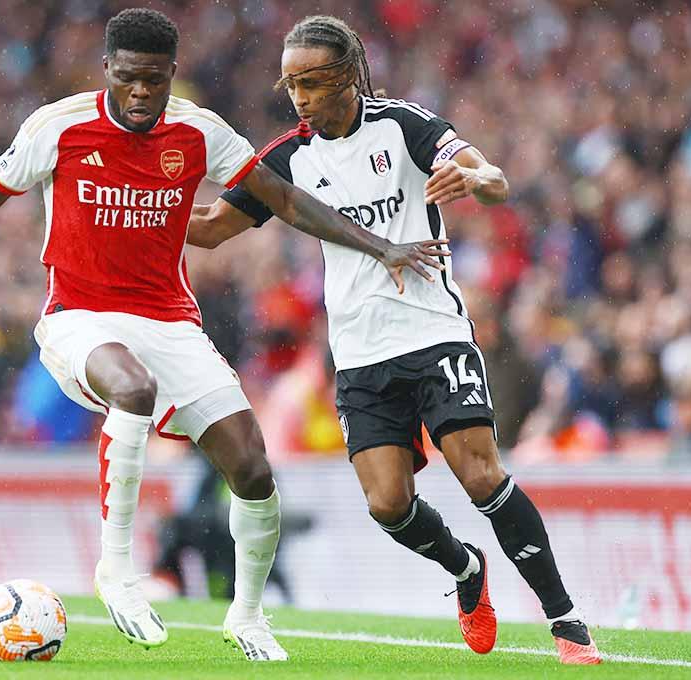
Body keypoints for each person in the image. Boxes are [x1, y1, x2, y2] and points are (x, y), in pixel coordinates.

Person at [0, 8, 446, 663]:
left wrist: (378, 246)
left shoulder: (199, 132)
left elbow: (282, 199)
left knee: (253, 468)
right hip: (78, 318)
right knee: (133, 387)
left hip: (170, 322)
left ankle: (249, 615)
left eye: (153, 80)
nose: (141, 92)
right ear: (108, 72)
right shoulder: (57, 127)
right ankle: (116, 570)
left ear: (171, 74)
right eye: (128, 79)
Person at [189, 15, 602, 665]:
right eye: (291, 84)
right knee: (388, 504)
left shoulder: (402, 126)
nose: (300, 97)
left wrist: (478, 180)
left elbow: (488, 175)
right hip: (358, 357)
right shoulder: (287, 158)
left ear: (349, 76)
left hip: (434, 334)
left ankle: (566, 621)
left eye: (314, 82)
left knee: (479, 473)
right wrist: (148, 210)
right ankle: (466, 570)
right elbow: (213, 228)